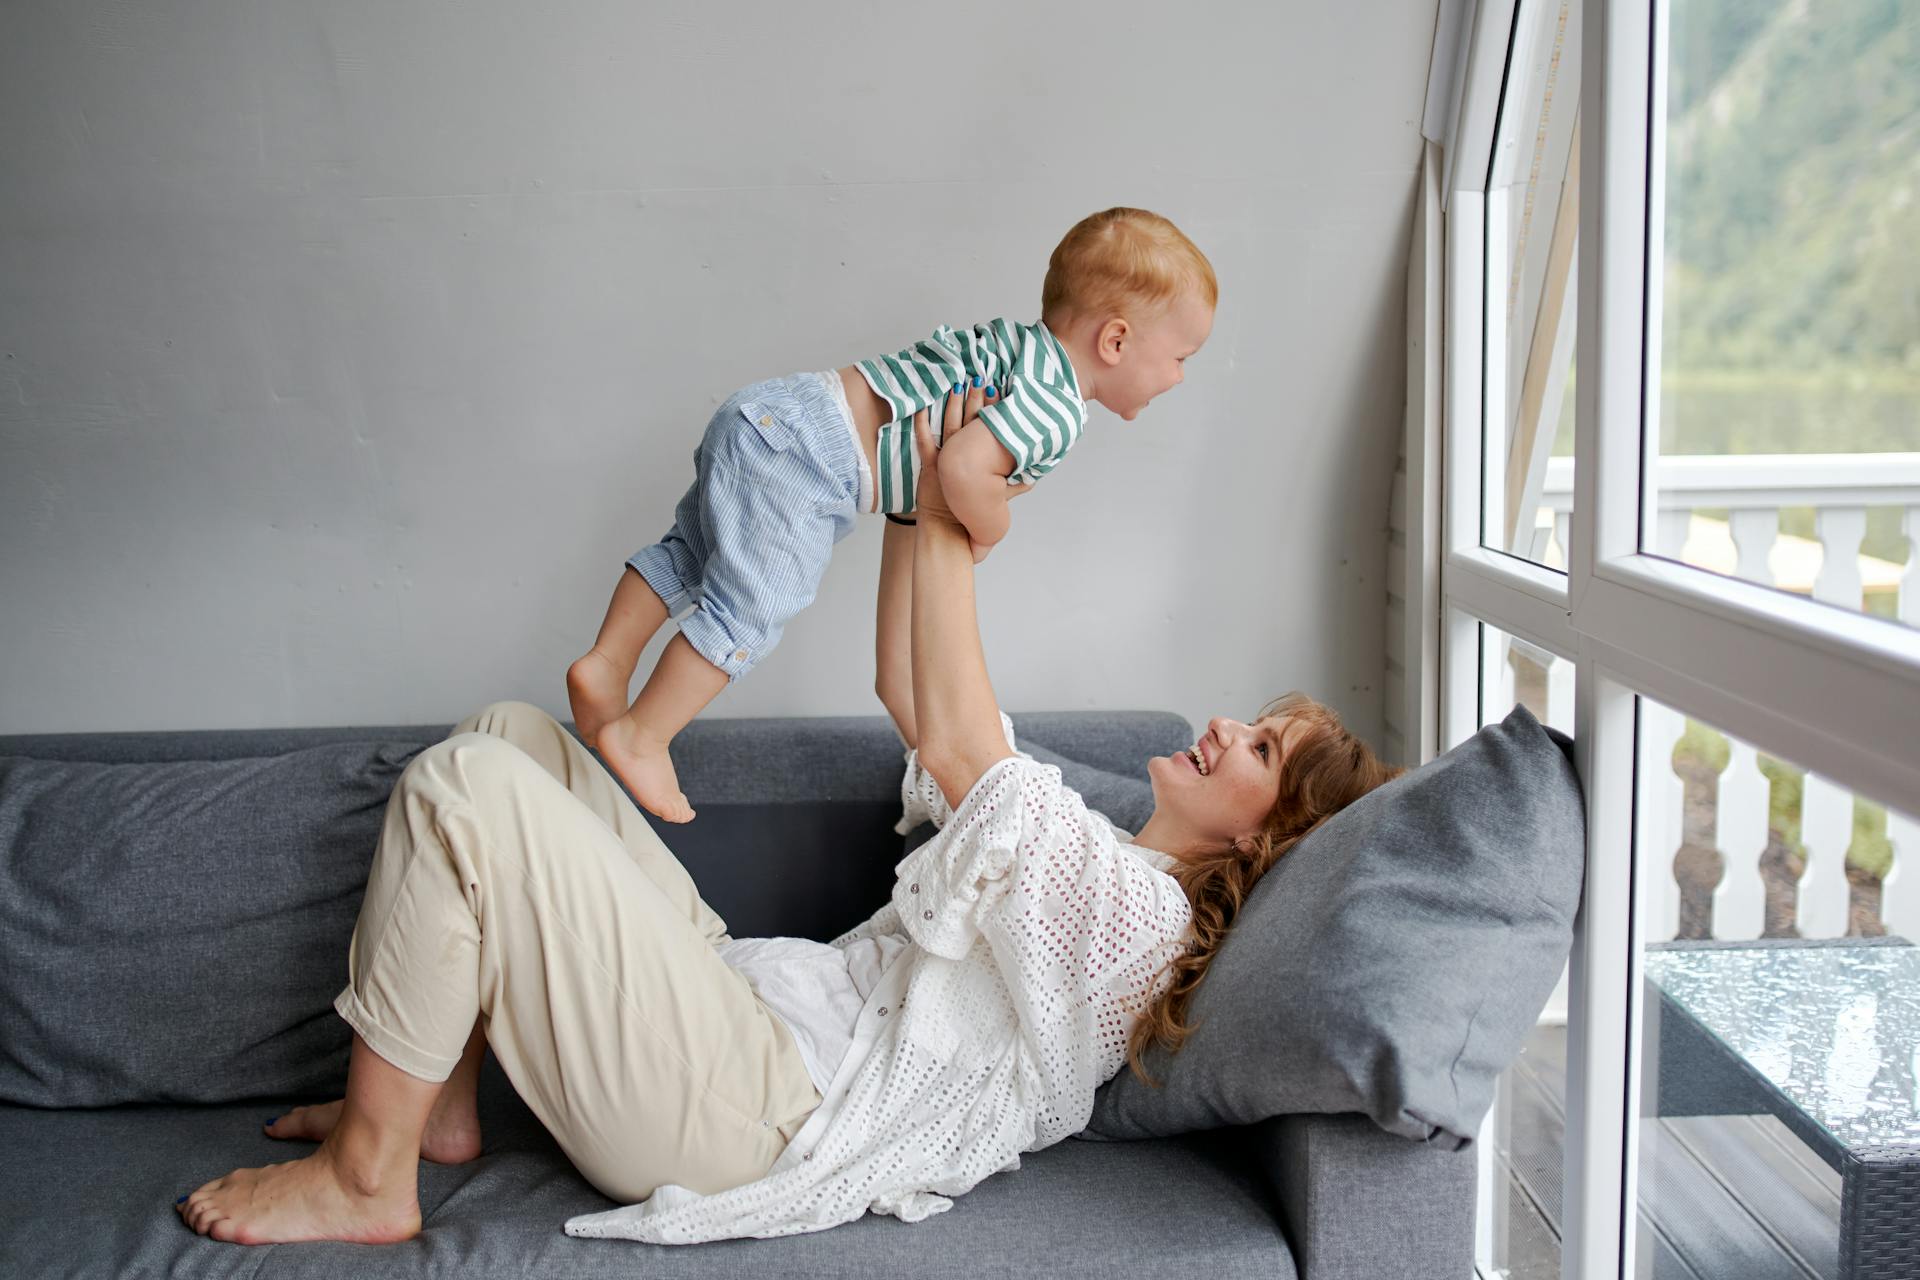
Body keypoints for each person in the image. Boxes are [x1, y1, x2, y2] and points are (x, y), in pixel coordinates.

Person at [173, 386, 1398, 1247]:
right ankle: (434, 1101)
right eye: (1255, 718)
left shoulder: (1132, 920)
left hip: (757, 1117)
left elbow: (969, 745)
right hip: (744, 1021)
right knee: (510, 737)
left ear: (1260, 834)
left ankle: (364, 1177)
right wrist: (918, 499)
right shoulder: (1090, 850)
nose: (1230, 727)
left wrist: (962, 485)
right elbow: (917, 705)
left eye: (1262, 751)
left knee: (460, 797)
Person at [566, 207, 1217, 825]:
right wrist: (991, 528)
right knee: (752, 608)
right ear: (1116, 339)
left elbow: (935, 469)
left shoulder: (1016, 349)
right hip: (816, 461)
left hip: (777, 411)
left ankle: (606, 661)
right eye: (1181, 357)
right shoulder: (1056, 407)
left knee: (690, 553)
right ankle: (645, 736)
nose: (1180, 378)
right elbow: (962, 468)